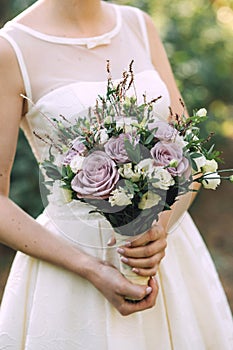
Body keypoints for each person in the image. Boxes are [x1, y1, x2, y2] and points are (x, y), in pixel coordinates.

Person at [0, 0, 232, 349]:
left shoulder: (139, 25)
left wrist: (161, 226)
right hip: (72, 271)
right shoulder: (11, 49)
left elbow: (189, 152)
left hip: (166, 258)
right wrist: (90, 269)